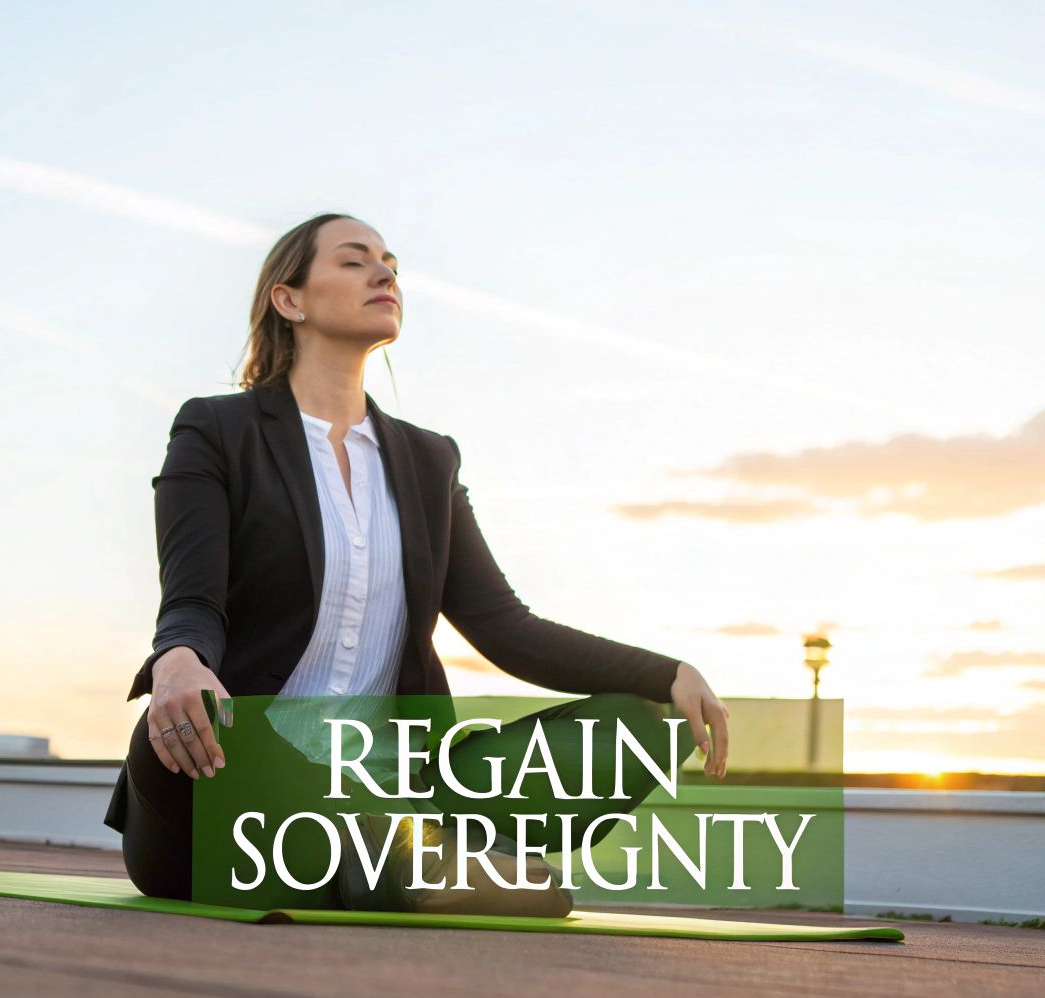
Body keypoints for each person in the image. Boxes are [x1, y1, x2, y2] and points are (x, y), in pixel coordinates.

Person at [104, 212, 731, 901]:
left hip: (399, 785)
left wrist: (667, 672)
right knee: (172, 744)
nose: (384, 273)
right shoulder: (217, 431)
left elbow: (504, 626)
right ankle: (412, 867)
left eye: (391, 263)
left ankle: (402, 858)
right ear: (291, 300)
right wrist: (179, 660)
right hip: (236, 776)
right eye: (353, 260)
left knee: (638, 726)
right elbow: (193, 601)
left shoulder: (427, 460)